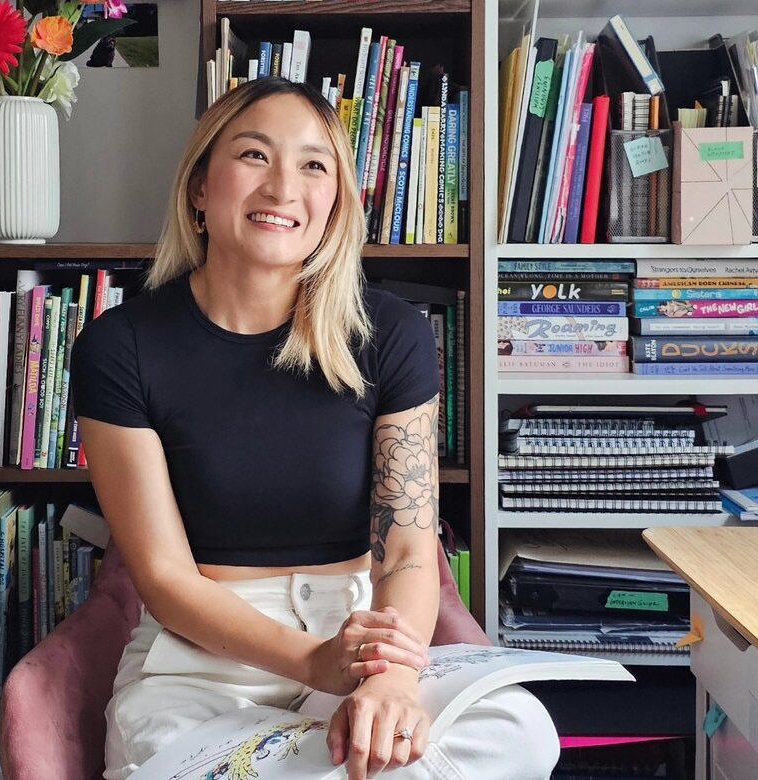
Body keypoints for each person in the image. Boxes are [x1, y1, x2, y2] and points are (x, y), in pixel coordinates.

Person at [69, 78, 560, 780]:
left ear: (334, 205)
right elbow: (165, 577)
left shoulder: (390, 334)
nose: (282, 187)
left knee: (521, 735)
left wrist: (388, 681)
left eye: (313, 165)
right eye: (253, 155)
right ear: (200, 188)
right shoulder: (120, 348)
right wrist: (310, 663)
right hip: (203, 662)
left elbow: (410, 549)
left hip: (362, 634)